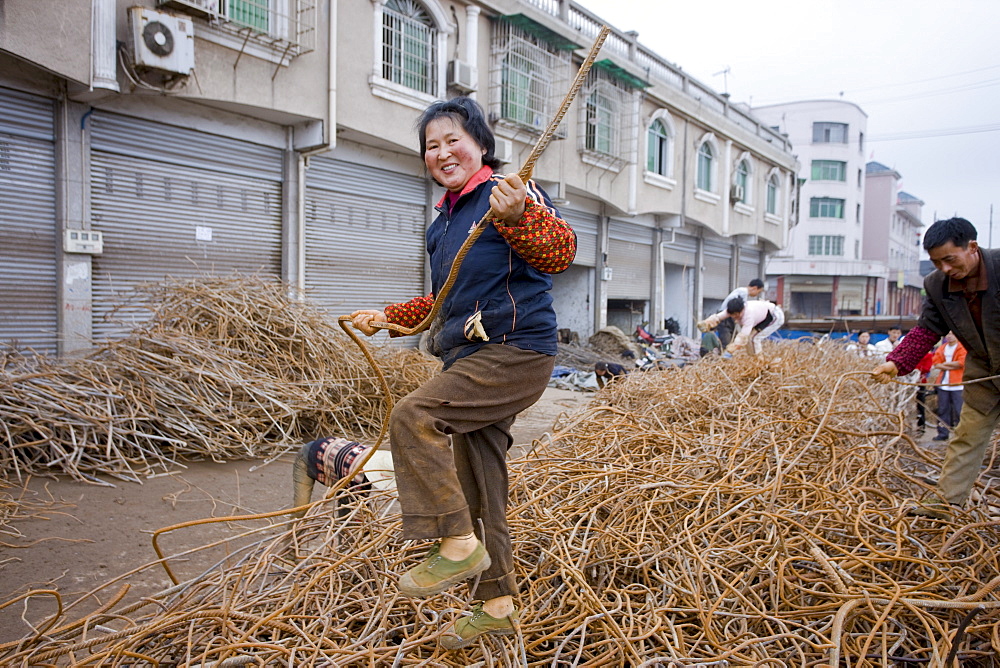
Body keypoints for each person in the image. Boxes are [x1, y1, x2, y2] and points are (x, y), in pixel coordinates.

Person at [348, 97, 576, 648]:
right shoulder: (444, 222)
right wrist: (389, 317)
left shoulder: (508, 194)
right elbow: (445, 299)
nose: (443, 152)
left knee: (413, 417)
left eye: (454, 140)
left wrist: (521, 215)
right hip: (470, 356)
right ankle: (497, 603)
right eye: (432, 145)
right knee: (481, 487)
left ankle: (454, 543)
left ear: (480, 145)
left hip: (515, 351)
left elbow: (560, 253)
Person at [872, 217, 1000, 519]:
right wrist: (896, 362)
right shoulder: (937, 285)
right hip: (984, 371)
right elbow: (928, 328)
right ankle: (946, 503)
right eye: (936, 262)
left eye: (949, 259)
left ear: (972, 247)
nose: (944, 268)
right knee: (967, 435)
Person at [697, 296, 784, 355]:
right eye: (732, 315)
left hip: (773, 316)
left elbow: (743, 337)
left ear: (741, 310)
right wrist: (705, 323)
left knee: (754, 338)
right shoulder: (731, 310)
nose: (734, 317)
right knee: (750, 339)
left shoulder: (748, 316)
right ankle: (752, 358)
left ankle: (758, 362)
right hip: (763, 315)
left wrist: (731, 349)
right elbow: (718, 317)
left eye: (736, 315)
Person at [931, 331, 966, 441]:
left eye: (952, 334)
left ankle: (961, 434)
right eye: (948, 334)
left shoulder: (961, 347)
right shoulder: (942, 348)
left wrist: (944, 365)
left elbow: (961, 363)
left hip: (958, 384)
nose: (950, 336)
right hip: (943, 384)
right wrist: (951, 365)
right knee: (942, 409)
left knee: (959, 410)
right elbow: (936, 363)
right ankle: (942, 433)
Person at [715, 278, 765, 347]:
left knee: (732, 340)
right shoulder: (743, 293)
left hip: (730, 317)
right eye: (758, 292)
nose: (757, 294)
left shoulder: (741, 291)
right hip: (727, 318)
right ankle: (724, 356)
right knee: (726, 342)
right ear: (754, 288)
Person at [914, 350, 935, 435]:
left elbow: (926, 368)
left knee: (920, 404)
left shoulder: (927, 355)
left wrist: (915, 369)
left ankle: (921, 426)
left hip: (920, 382)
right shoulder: (911, 354)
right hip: (907, 382)